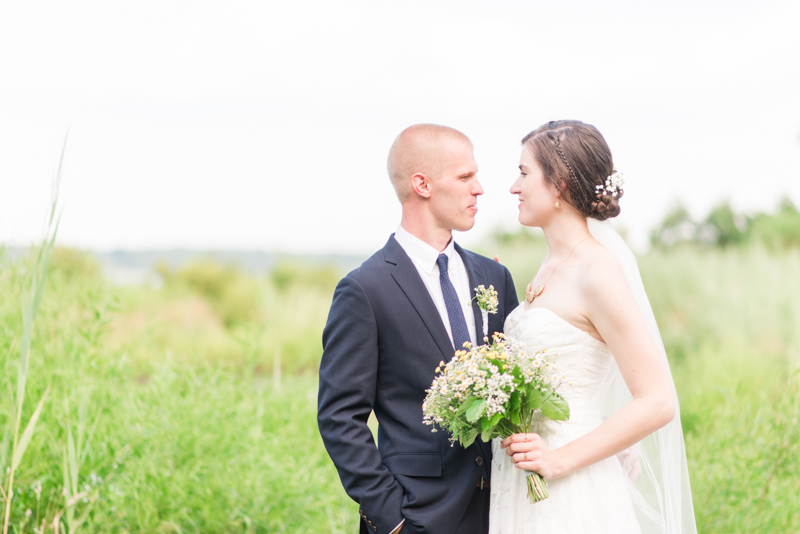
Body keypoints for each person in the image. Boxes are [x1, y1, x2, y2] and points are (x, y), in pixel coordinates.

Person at [490, 120, 696, 533]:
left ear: (559, 184)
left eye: (524, 172)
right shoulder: (551, 265)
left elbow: (657, 401)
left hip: (569, 487)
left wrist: (557, 460)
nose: (514, 187)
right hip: (519, 478)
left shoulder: (598, 272)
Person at [318, 124, 519, 534]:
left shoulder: (493, 276)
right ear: (422, 184)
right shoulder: (365, 289)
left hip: (502, 509)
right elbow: (340, 416)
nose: (479, 188)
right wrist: (391, 519)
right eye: (465, 177)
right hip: (418, 515)